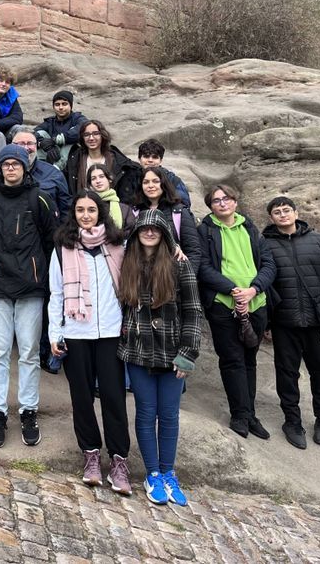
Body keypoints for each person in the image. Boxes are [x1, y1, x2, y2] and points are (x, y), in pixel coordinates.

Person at [117, 209, 203, 506]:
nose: (150, 232)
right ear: (137, 232)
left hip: (171, 353)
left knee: (168, 415)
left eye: (156, 228)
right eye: (144, 228)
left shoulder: (180, 264)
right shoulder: (127, 263)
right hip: (138, 351)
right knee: (145, 412)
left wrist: (188, 352)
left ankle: (168, 472)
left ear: (165, 233)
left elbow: (193, 311)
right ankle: (152, 473)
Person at [49, 191, 131, 494]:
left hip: (110, 331)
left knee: (114, 397)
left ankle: (119, 460)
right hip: (76, 332)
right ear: (74, 214)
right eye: (80, 210)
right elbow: (56, 294)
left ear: (101, 213)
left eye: (92, 210)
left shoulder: (117, 245)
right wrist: (54, 333)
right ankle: (91, 455)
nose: (86, 215)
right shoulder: (64, 248)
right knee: (82, 398)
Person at [0, 144, 57, 448]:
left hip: (30, 286)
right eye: (6, 164)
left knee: (28, 351)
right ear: (0, 168)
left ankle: (28, 410)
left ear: (25, 167)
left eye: (16, 164)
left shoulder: (40, 198)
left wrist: (39, 271)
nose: (10, 168)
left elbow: (51, 240)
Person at [263, 196, 320, 449]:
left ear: (296, 213)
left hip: (317, 321)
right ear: (271, 218)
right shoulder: (264, 244)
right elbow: (263, 284)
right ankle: (292, 421)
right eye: (277, 212)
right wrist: (266, 322)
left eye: (286, 210)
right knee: (286, 374)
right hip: (284, 321)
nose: (282, 214)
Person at [197, 183, 276, 439]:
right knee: (232, 360)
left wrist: (253, 289)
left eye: (226, 198)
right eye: (216, 200)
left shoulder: (250, 228)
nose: (222, 203)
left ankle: (250, 415)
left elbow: (268, 264)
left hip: (256, 303)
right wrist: (233, 290)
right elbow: (203, 267)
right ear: (210, 206)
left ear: (235, 202)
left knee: (250, 360)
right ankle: (240, 415)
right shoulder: (205, 231)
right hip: (223, 304)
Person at [0, 128, 71, 222]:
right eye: (21, 144)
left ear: (36, 146)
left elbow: (66, 211)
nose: (25, 148)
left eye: (30, 143)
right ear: (11, 145)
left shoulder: (54, 174)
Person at [136, 166, 201, 271]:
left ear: (164, 184)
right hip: (141, 272)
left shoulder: (179, 212)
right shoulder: (135, 212)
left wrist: (187, 276)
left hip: (172, 273)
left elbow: (193, 250)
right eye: (146, 182)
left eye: (156, 181)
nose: (150, 186)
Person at [64, 119, 141, 202]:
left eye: (95, 133)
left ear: (102, 135)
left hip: (113, 205)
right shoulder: (75, 160)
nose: (91, 138)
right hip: (84, 205)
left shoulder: (117, 160)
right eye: (86, 135)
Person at [37, 89, 86, 170]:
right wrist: (47, 146)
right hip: (52, 156)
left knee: (72, 136)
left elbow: (84, 127)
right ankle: (40, 167)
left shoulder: (77, 118)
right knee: (40, 133)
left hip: (72, 158)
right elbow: (32, 133)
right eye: (57, 104)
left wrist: (56, 140)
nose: (60, 107)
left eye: (64, 104)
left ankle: (57, 168)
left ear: (70, 106)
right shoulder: (50, 122)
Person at [137, 139, 192, 209]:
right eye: (146, 156)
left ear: (161, 160)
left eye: (155, 157)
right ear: (139, 159)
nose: (150, 160)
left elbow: (184, 203)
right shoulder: (131, 178)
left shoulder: (172, 180)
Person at [87, 164, 135, 232]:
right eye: (93, 178)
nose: (98, 181)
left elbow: (130, 231)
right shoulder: (86, 206)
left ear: (109, 179)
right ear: (90, 185)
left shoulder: (125, 209)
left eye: (101, 176)